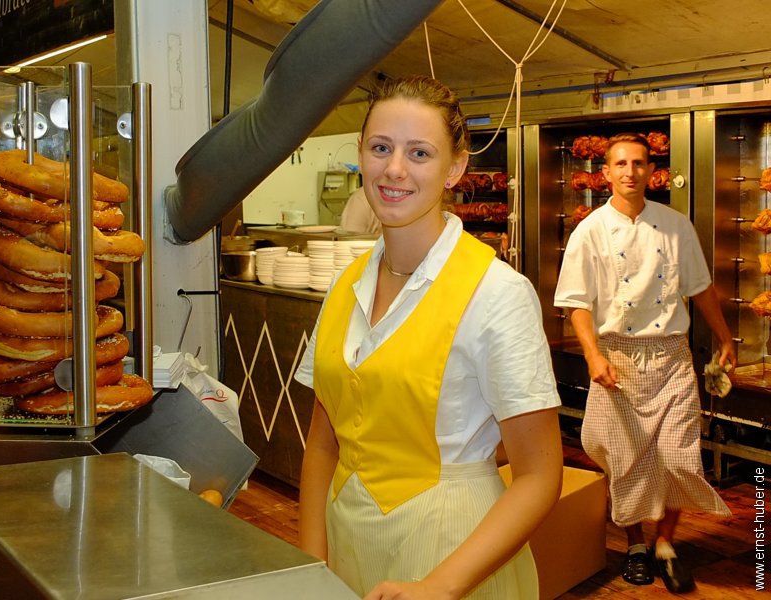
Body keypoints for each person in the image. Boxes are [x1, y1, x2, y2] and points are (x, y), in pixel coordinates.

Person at [294, 75, 563, 599]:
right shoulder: (346, 286)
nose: (395, 169)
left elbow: (539, 475)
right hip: (349, 543)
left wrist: (441, 585)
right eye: (381, 148)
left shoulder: (496, 293)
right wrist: (309, 563)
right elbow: (324, 441)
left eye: (419, 153)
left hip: (453, 552)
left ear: (455, 168)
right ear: (361, 153)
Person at [554, 132, 734, 594]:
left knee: (678, 456)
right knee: (627, 459)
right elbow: (576, 302)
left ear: (652, 171)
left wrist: (724, 337)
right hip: (618, 358)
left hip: (670, 355)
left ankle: (666, 543)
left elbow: (699, 287)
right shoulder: (590, 230)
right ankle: (636, 544)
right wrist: (593, 355)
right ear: (606, 173)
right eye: (621, 164)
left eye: (638, 163)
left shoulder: (676, 225)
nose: (630, 172)